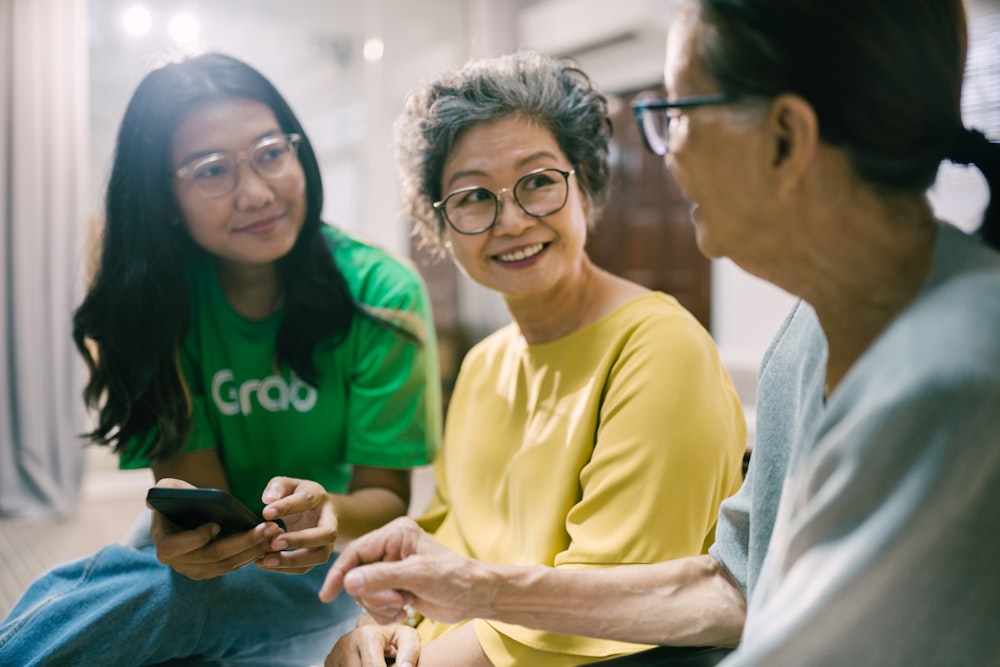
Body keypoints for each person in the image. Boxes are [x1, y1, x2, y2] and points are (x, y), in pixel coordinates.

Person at [320, 0, 1000, 665]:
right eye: (475, 197)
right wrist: (461, 592)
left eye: (678, 114)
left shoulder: (954, 370)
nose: (667, 153)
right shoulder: (806, 335)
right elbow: (731, 583)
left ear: (787, 136)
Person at [0, 53, 441, 667]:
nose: (257, 193)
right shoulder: (154, 307)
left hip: (329, 556)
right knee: (120, 591)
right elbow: (194, 490)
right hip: (218, 552)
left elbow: (386, 500)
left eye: (269, 153)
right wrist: (184, 533)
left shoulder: (381, 294)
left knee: (121, 605)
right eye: (212, 171)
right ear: (165, 200)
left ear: (298, 151)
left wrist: (328, 512)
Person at [322, 50, 748, 667]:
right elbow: (446, 537)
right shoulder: (482, 364)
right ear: (439, 227)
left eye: (539, 181)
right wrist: (382, 628)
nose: (512, 220)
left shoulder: (658, 346)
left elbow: (609, 613)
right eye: (472, 198)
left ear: (585, 184)